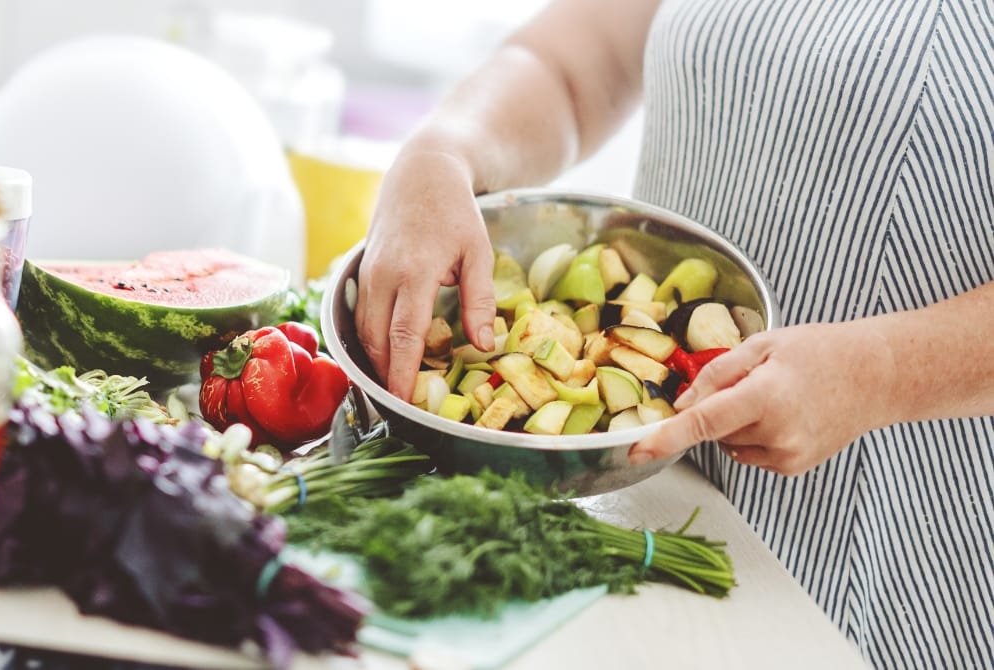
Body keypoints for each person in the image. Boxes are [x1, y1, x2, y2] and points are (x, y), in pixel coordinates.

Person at [355, 0, 994, 667]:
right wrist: (444, 147)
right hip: (625, 488)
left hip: (889, 541)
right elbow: (576, 64)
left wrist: (883, 370)